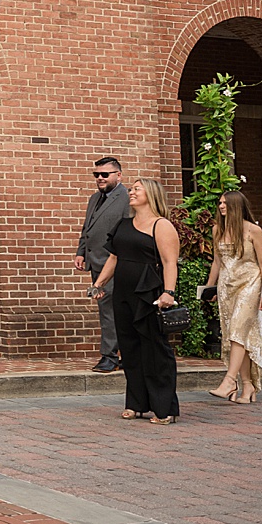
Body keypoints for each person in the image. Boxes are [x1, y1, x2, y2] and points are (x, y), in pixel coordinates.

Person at [90, 177, 181, 424]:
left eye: (137, 189)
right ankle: (137, 403)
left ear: (151, 194)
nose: (131, 192)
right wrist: (98, 284)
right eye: (131, 189)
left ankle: (165, 408)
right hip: (123, 294)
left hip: (150, 294)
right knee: (129, 349)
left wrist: (168, 293)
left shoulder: (161, 225)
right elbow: (114, 258)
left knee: (154, 349)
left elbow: (170, 262)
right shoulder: (124, 224)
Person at [204, 189, 262, 405]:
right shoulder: (217, 229)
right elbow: (217, 262)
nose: (221, 206)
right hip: (226, 287)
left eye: (225, 203)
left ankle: (229, 380)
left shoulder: (253, 231)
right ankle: (248, 384)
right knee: (237, 336)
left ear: (236, 206)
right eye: (220, 203)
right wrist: (209, 288)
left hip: (249, 285)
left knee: (237, 332)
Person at [73, 156, 131, 373]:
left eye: (104, 174)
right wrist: (81, 252)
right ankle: (120, 355)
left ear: (118, 175)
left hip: (115, 264)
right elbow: (87, 228)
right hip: (95, 261)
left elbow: (127, 231)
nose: (99, 178)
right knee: (107, 311)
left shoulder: (126, 198)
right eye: (96, 174)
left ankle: (110, 356)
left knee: (110, 311)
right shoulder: (94, 199)